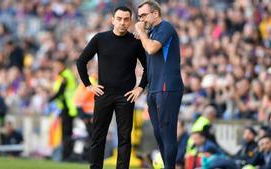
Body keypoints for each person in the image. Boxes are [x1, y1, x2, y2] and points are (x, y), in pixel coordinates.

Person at [76, 6, 147, 169]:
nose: (123, 22)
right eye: (119, 19)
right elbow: (81, 61)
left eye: (126, 19)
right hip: (104, 94)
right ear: (112, 20)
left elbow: (148, 67)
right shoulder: (100, 39)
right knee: (98, 136)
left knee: (124, 138)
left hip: (126, 96)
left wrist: (140, 87)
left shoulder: (135, 42)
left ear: (130, 21)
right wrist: (88, 85)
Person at [135, 1, 184, 168]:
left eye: (144, 15)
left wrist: (142, 33)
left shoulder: (166, 27)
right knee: (159, 134)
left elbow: (152, 49)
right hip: (154, 88)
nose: (141, 19)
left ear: (155, 13)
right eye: (139, 16)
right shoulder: (152, 31)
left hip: (167, 87)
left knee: (168, 132)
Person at [49, 58, 78, 161]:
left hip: (68, 108)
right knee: (67, 133)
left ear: (62, 65)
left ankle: (67, 155)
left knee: (66, 133)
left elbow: (61, 92)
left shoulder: (65, 75)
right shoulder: (66, 74)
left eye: (57, 66)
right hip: (67, 108)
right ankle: (67, 155)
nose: (55, 68)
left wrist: (49, 99)